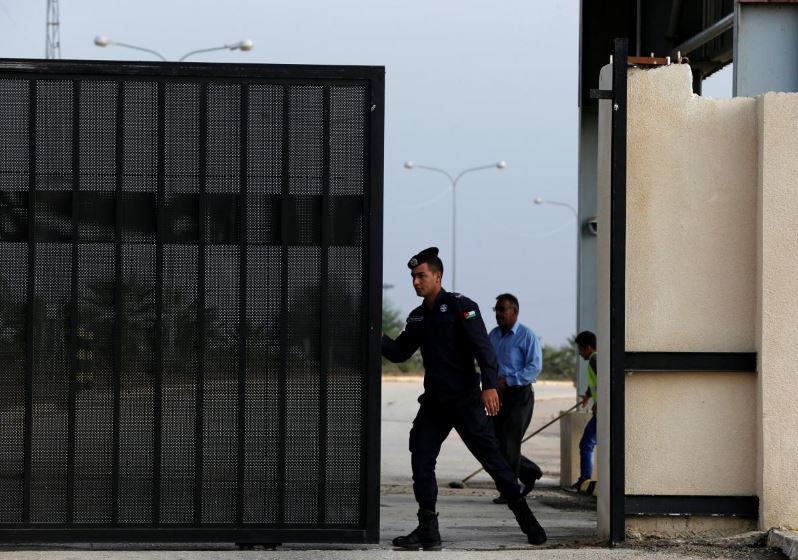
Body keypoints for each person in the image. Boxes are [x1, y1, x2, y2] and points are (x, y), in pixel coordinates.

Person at [382, 247, 547, 549]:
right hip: (434, 403)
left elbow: (483, 347)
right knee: (420, 458)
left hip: (465, 401)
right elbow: (399, 352)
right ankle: (428, 529)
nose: (416, 282)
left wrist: (489, 386)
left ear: (437, 276)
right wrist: (374, 334)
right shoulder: (418, 317)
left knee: (494, 461)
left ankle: (528, 522)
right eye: (413, 277)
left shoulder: (461, 306)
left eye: (421, 276)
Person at [488, 293, 544, 504]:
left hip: (518, 395)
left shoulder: (526, 336)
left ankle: (509, 491)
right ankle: (529, 471)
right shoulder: (492, 335)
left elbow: (534, 367)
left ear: (515, 312)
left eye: (502, 310)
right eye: (496, 310)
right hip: (496, 395)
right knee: (493, 442)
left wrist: (509, 380)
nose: (499, 314)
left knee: (509, 443)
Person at [573, 330, 597, 495]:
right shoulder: (596, 360)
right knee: (588, 443)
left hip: (603, 411)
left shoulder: (595, 360)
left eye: (580, 350)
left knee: (587, 444)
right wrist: (588, 396)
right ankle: (584, 479)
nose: (580, 354)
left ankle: (584, 480)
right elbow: (596, 382)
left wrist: (600, 404)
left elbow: (606, 381)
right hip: (602, 409)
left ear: (588, 348)